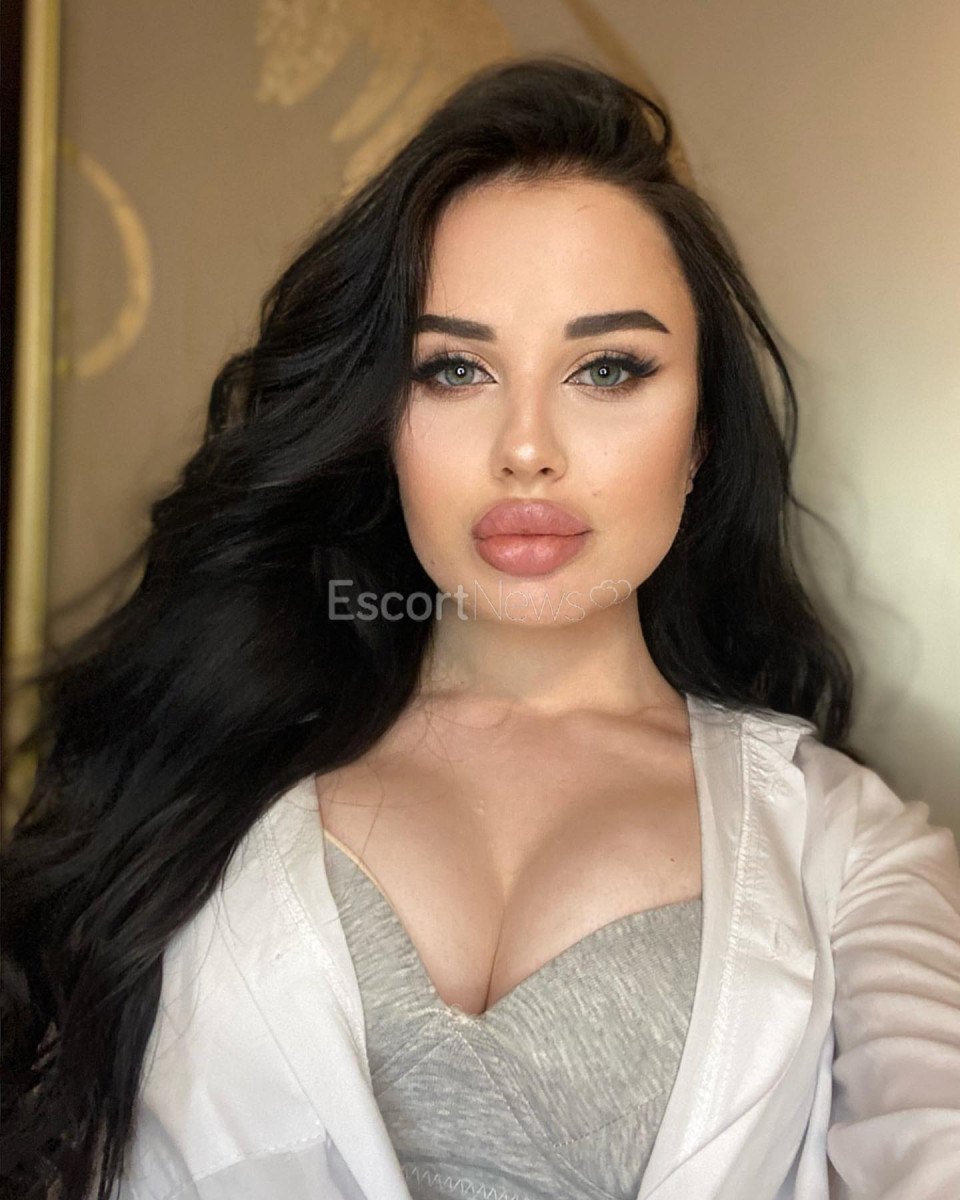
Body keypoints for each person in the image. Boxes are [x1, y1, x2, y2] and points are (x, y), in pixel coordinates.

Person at [2, 55, 959, 1200]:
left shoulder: (847, 856)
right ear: (380, 420)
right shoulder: (199, 774)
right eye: (454, 369)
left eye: (609, 369)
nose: (526, 447)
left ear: (703, 433)